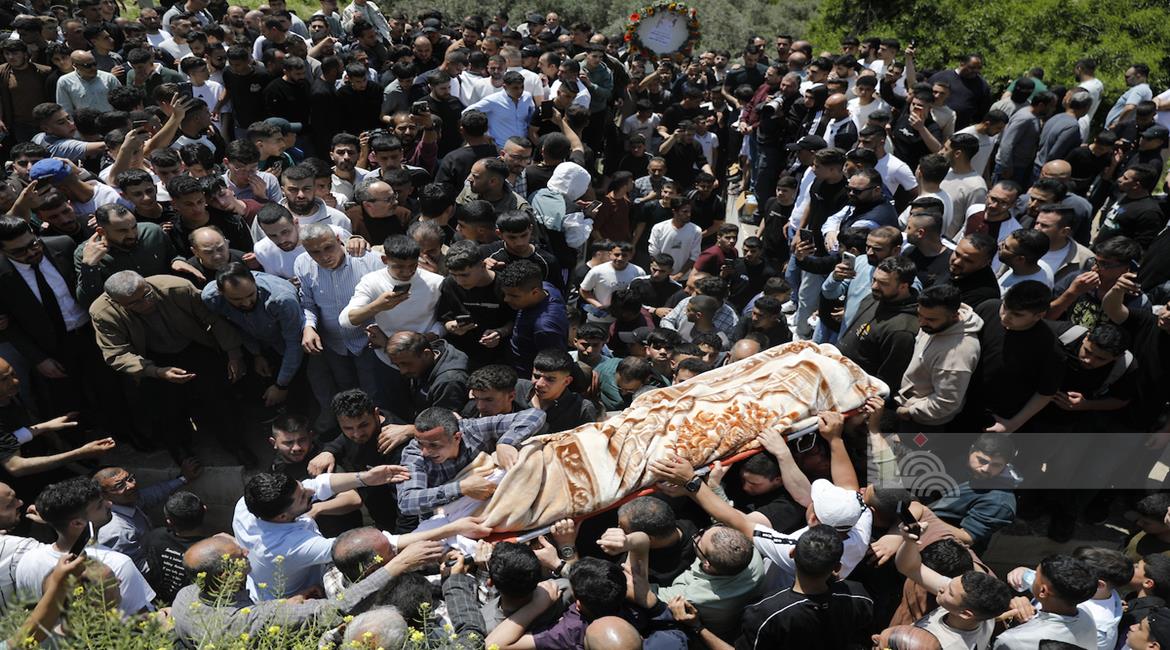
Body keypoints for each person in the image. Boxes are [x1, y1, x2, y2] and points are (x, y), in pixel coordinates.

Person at [88, 270, 251, 463]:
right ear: (117, 303)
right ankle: (182, 453)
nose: (146, 303)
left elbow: (214, 319)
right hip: (150, 358)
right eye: (135, 303)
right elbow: (117, 353)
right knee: (166, 407)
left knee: (217, 395)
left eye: (147, 295)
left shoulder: (176, 288)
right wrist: (156, 372)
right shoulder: (103, 313)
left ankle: (235, 443)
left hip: (193, 345)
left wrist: (233, 353)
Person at [171, 532, 441, 646]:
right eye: (239, 556)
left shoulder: (186, 596)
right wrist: (399, 564)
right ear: (225, 575)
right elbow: (337, 608)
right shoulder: (246, 622)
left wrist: (285, 605)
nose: (246, 551)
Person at [231, 464, 409, 600]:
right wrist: (425, 538)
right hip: (296, 601)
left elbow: (319, 484)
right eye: (302, 497)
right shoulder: (286, 547)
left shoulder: (248, 505)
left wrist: (365, 478)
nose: (310, 491)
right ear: (283, 516)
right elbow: (362, 547)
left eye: (301, 487)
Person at [15, 476, 156, 614]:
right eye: (100, 505)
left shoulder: (29, 560)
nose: (109, 504)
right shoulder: (116, 563)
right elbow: (142, 618)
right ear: (77, 523)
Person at [295, 222, 385, 427]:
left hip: (368, 342)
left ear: (338, 240)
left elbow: (385, 300)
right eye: (315, 252)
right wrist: (308, 327)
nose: (324, 256)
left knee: (373, 392)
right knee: (346, 391)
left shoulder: (367, 261)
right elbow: (308, 303)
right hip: (334, 344)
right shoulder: (302, 264)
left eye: (328, 247)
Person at [396, 405, 546, 516]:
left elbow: (535, 414)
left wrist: (506, 442)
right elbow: (407, 502)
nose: (425, 452)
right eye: (420, 443)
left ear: (457, 437)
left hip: (498, 506)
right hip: (446, 521)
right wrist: (461, 488)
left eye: (434, 445)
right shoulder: (413, 454)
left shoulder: (472, 429)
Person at [893, 521, 1014, 650]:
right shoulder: (978, 607)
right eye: (949, 583)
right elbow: (910, 567)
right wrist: (909, 542)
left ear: (966, 614)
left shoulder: (943, 645)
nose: (941, 588)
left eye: (950, 593)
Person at [201, 264, 305, 408]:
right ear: (221, 293)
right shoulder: (212, 299)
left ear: (255, 283)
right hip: (257, 343)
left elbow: (294, 343)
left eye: (250, 295)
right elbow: (237, 325)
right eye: (236, 299)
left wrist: (281, 385)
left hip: (290, 346)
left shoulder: (282, 300)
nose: (246, 303)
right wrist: (256, 354)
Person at [896, 284, 984, 432]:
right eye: (919, 315)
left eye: (930, 319)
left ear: (954, 316)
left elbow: (946, 403)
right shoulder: (936, 324)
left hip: (926, 424)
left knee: (913, 447)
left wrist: (910, 412)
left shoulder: (958, 353)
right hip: (911, 405)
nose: (921, 323)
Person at [836, 256, 920, 400]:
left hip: (857, 394)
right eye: (874, 279)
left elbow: (887, 381)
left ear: (903, 286)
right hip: (840, 377)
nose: (874, 286)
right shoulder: (875, 298)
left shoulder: (902, 330)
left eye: (883, 283)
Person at [94, 462, 200, 574]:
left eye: (130, 479)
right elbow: (134, 569)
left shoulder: (128, 500)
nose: (131, 486)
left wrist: (183, 479)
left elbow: (154, 493)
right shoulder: (117, 531)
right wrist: (172, 561)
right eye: (120, 486)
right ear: (103, 495)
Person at [993, 554, 1098, 649]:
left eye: (1035, 576)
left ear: (1043, 591)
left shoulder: (1012, 641)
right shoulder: (1086, 613)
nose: (1030, 576)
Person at [500, 259, 569, 378]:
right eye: (505, 294)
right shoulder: (547, 288)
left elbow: (552, 366)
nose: (506, 299)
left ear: (535, 292)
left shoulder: (544, 328)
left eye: (514, 296)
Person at [143, 491, 208, 603]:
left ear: (169, 521)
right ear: (205, 509)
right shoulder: (208, 551)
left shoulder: (154, 537)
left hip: (160, 603)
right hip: (189, 605)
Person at [525, 348, 599, 433]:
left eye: (550, 379)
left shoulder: (581, 409)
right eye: (536, 376)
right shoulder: (517, 390)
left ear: (567, 381)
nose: (539, 384)